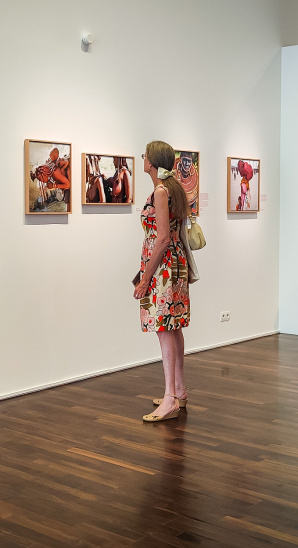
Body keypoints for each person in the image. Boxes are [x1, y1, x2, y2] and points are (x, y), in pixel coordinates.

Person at [134, 140, 191, 422]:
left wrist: (145, 279)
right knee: (174, 325)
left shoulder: (160, 190)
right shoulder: (173, 188)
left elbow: (163, 239)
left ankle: (170, 397)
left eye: (145, 155)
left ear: (152, 162)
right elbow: (176, 236)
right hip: (175, 265)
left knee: (164, 328)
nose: (142, 158)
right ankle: (178, 390)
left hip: (164, 268)